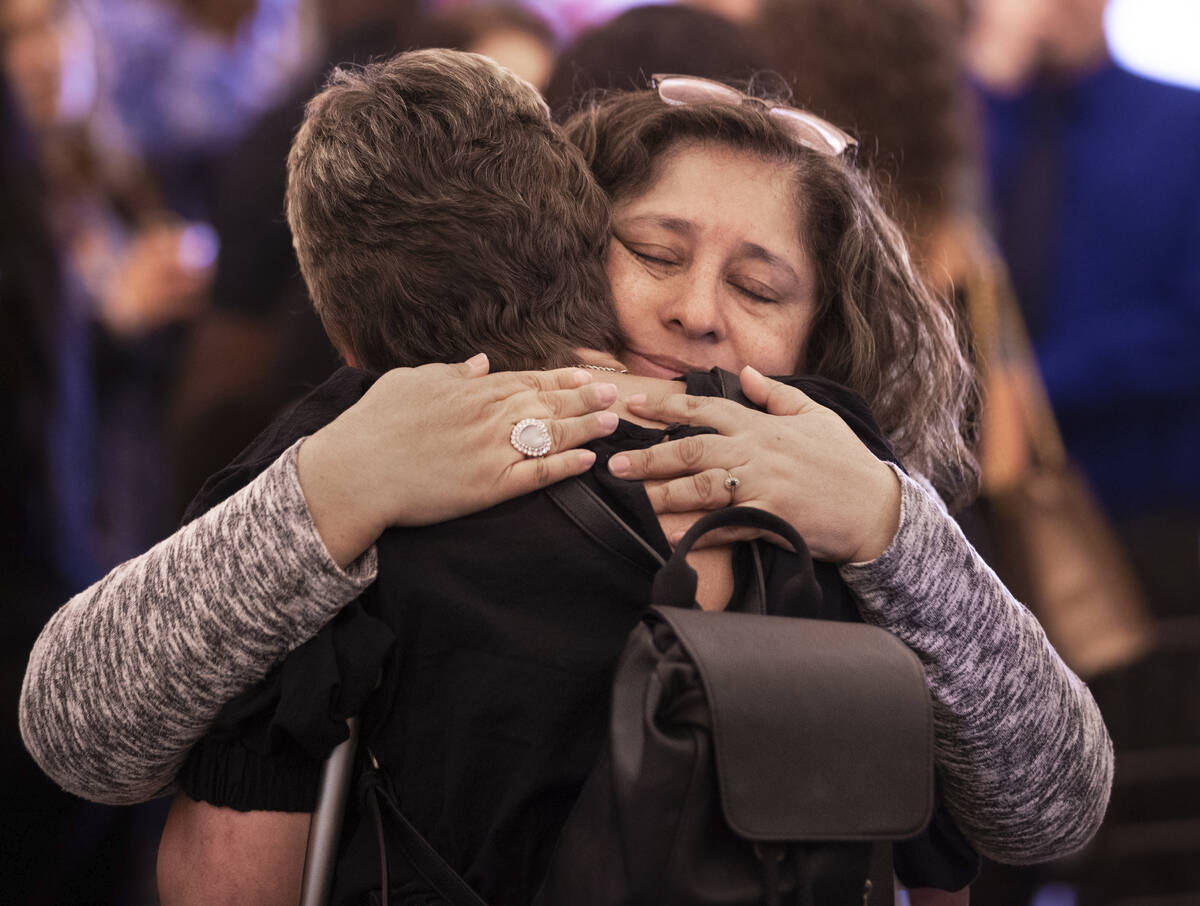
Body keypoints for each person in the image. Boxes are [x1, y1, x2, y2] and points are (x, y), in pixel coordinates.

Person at [21, 52, 1111, 897]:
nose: (696, 311)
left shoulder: (852, 485)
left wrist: (885, 522)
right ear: (569, 242)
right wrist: (327, 494)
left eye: (761, 287)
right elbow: (78, 727)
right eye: (655, 251)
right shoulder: (406, 423)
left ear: (823, 334)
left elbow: (1058, 807)